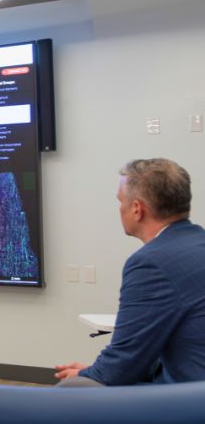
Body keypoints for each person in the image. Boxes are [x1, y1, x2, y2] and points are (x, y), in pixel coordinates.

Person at [55, 158, 205, 386]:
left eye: (120, 201)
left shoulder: (151, 263)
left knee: (73, 386)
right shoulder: (197, 243)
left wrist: (88, 374)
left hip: (189, 396)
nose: (119, 208)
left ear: (137, 209)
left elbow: (121, 367)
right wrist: (95, 370)